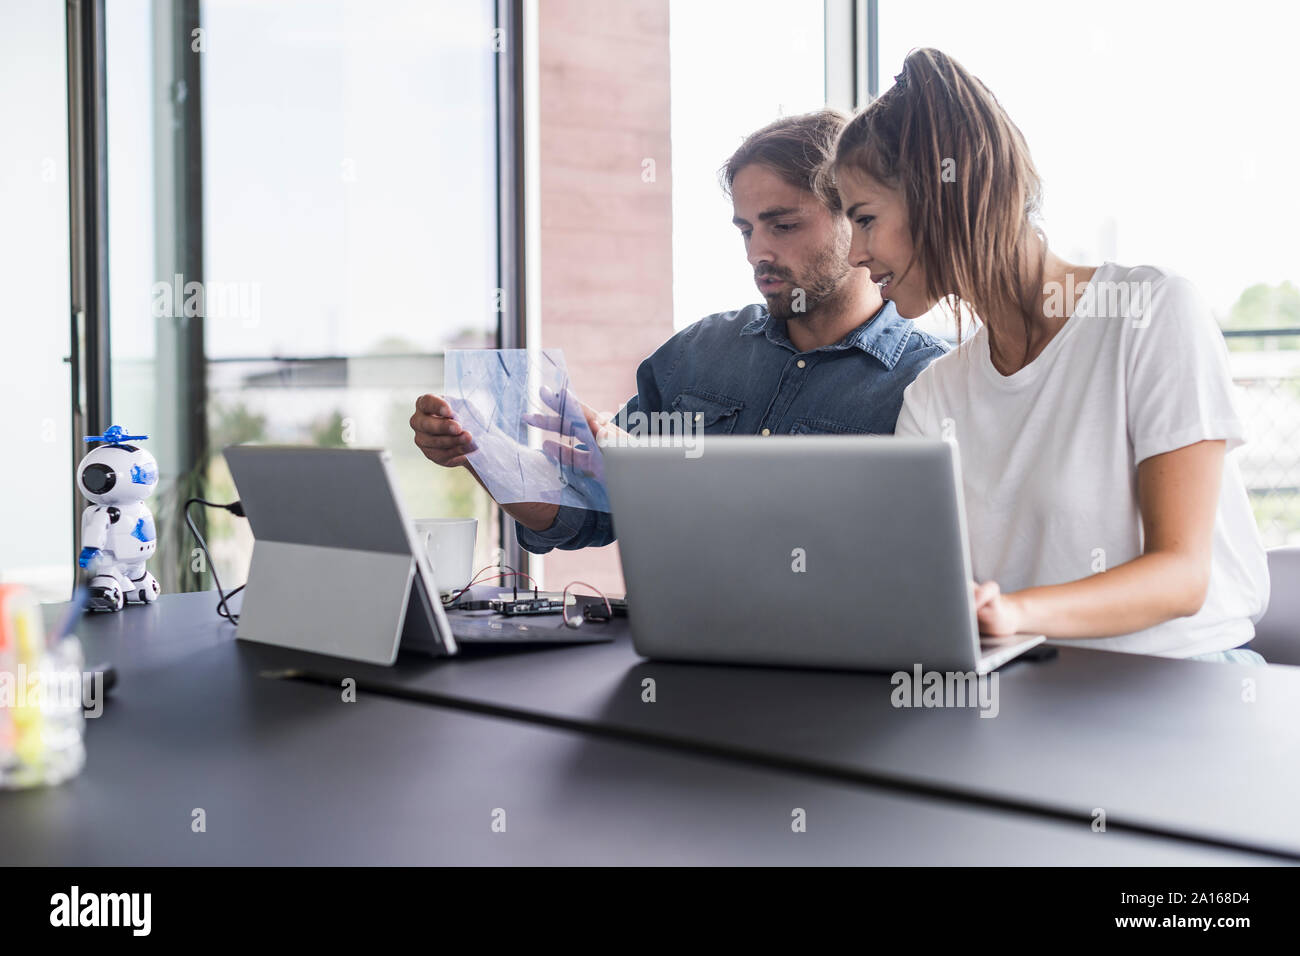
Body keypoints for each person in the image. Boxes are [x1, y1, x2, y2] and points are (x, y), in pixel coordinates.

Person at [830, 48, 1269, 661]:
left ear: (941, 194)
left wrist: (1013, 613)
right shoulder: (934, 396)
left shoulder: (1149, 312)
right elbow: (929, 587)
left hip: (1185, 682)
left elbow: (1182, 576)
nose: (854, 253)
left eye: (866, 218)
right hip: (1029, 684)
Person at [413, 109, 947, 553]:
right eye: (746, 229)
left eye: (782, 225)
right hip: (674, 657)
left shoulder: (929, 383)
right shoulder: (698, 355)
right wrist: (482, 452)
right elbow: (587, 511)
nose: (757, 252)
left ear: (855, 218)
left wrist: (656, 473)